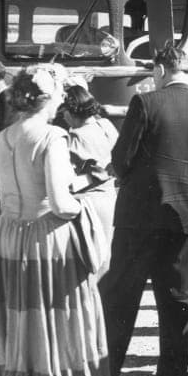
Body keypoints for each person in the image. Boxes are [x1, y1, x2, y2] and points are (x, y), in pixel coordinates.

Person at [0, 65, 111, 376]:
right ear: (48, 97)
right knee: (58, 327)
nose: (61, 101)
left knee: (21, 330)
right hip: (47, 240)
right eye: (58, 94)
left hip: (11, 237)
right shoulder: (53, 136)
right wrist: (84, 202)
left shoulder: (4, 136)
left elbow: (5, 192)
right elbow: (60, 202)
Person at [101, 46, 188, 376]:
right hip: (184, 215)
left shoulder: (146, 103)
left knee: (122, 293)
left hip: (139, 214)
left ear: (160, 69)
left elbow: (122, 156)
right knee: (177, 299)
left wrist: (123, 174)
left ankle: (107, 368)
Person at [60, 84, 120, 265]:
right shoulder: (105, 125)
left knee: (89, 257)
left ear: (70, 113)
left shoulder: (75, 137)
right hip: (110, 199)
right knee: (106, 255)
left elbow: (73, 177)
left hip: (88, 202)